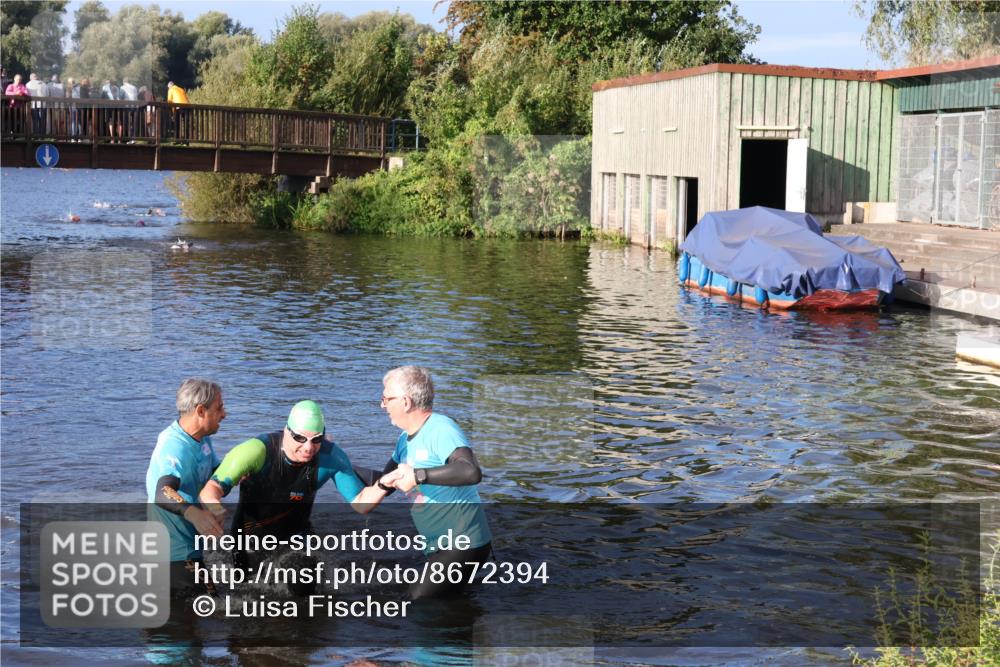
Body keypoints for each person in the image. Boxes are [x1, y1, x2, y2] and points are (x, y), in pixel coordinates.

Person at [199, 400, 399, 592]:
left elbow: (361, 504)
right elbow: (211, 489)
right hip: (249, 539)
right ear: (287, 431)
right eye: (300, 438)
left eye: (316, 439)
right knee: (246, 594)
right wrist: (215, 509)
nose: (308, 447)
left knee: (303, 584)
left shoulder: (331, 457)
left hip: (296, 538)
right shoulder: (256, 451)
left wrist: (382, 485)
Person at [378, 365, 492, 599]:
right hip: (439, 544)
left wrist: (419, 475)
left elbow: (470, 471)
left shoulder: (442, 428)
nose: (383, 405)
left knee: (418, 602)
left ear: (406, 402)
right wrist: (330, 459)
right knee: (446, 605)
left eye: (386, 398)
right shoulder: (404, 440)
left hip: (464, 542)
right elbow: (384, 482)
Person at [146, 378, 226, 595]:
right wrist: (195, 515)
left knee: (207, 607)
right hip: (171, 555)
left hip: (190, 547)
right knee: (207, 608)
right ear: (201, 411)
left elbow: (214, 473)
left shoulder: (201, 438)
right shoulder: (174, 447)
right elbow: (162, 493)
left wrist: (239, 473)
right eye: (219, 408)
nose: (224, 414)